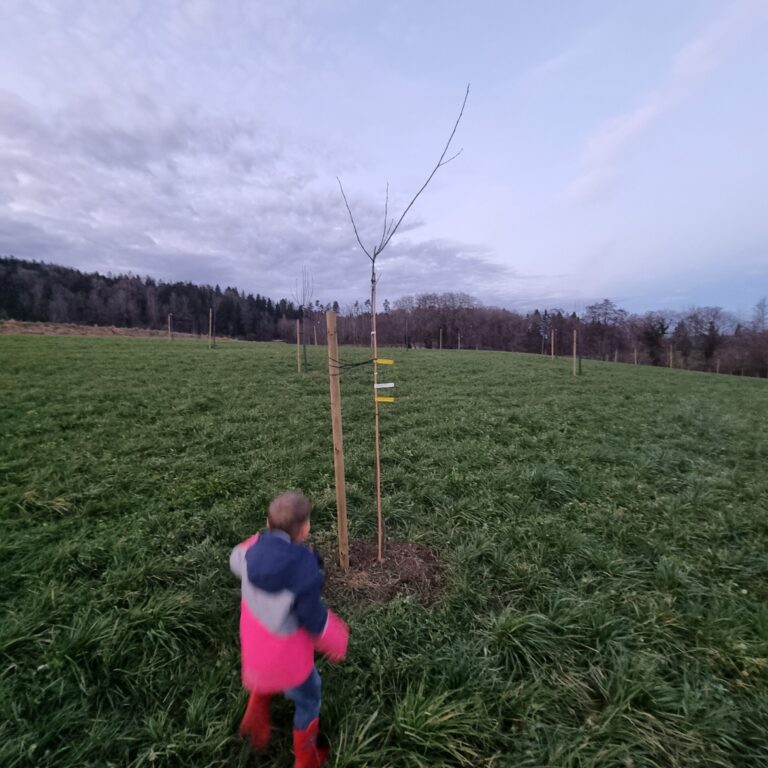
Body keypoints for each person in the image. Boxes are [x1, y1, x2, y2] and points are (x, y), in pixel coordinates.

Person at [229, 491, 349, 768]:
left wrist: (258, 541)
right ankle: (306, 759)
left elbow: (235, 556)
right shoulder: (304, 572)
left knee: (265, 677)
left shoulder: (249, 555)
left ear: (266, 523)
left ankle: (255, 716)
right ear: (305, 528)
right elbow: (313, 618)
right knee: (309, 697)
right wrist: (337, 639)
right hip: (290, 664)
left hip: (255, 654)